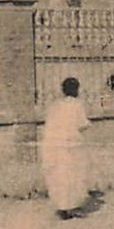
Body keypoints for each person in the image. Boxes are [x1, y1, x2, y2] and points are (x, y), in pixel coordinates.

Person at [40, 76, 92, 219]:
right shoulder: (77, 105)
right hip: (72, 145)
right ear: (76, 90)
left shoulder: (55, 105)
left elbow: (49, 124)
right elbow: (82, 124)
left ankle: (61, 206)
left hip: (55, 145)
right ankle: (72, 207)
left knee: (59, 175)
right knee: (73, 175)